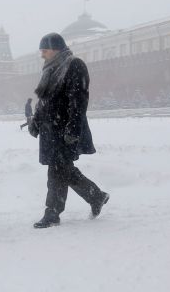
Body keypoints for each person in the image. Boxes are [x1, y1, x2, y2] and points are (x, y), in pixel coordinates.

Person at [28, 33, 109, 228]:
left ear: (56, 48)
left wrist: (72, 129)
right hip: (50, 130)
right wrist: (36, 122)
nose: (42, 55)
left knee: (56, 171)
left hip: (64, 130)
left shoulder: (74, 65)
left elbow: (78, 100)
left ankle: (52, 213)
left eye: (45, 50)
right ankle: (96, 196)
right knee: (64, 170)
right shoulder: (49, 68)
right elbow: (43, 101)